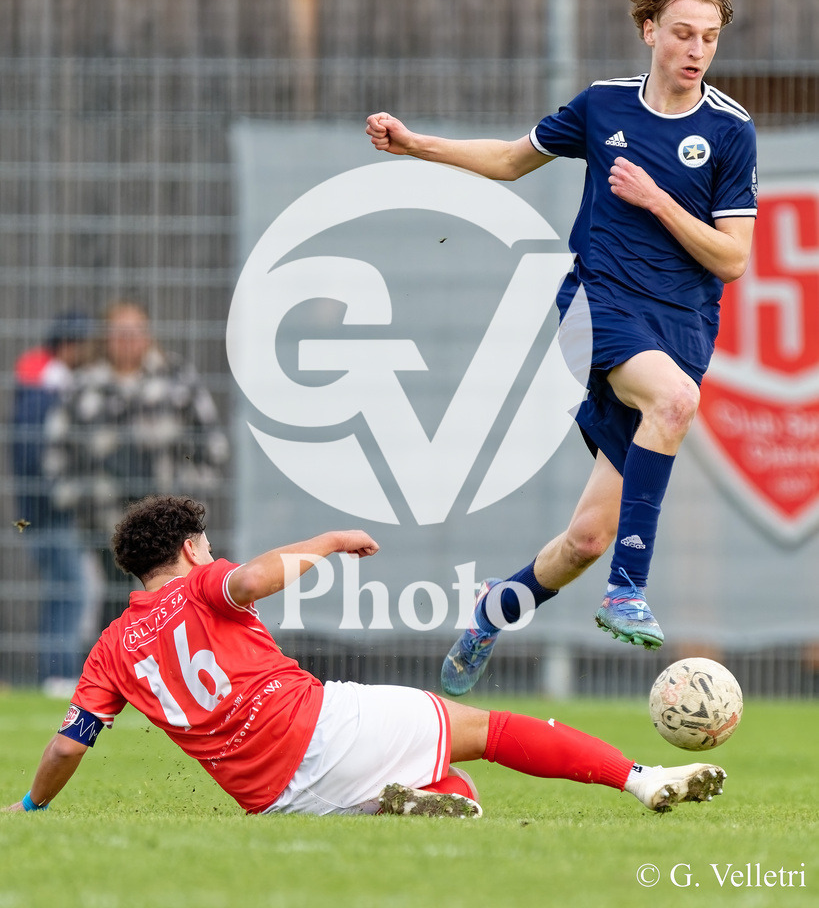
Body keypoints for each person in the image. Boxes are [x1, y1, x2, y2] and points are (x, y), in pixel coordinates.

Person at [365, 0, 758, 695]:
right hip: (596, 306)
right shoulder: (602, 106)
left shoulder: (727, 131)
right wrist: (417, 146)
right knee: (674, 403)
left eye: (708, 37)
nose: (695, 50)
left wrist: (656, 200)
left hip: (680, 329)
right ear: (648, 29)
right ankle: (628, 590)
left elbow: (732, 259)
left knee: (583, 537)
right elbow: (512, 160)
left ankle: (490, 613)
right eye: (681, 33)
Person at [4, 495, 727, 818]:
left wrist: (33, 803)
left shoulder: (109, 650)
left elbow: (69, 747)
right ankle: (641, 778)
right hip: (318, 729)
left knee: (457, 794)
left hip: (273, 801)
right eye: (208, 545)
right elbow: (251, 580)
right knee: (486, 730)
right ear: (190, 550)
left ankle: (418, 805)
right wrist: (326, 542)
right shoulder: (202, 582)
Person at [44, 301, 230, 631]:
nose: (127, 340)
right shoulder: (85, 385)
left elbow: (212, 443)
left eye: (134, 332)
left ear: (147, 336)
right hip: (105, 524)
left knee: (175, 605)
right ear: (107, 338)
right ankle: (116, 677)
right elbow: (57, 451)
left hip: (168, 523)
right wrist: (76, 498)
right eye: (119, 333)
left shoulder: (176, 378)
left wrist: (191, 498)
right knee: (117, 609)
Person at [11, 312, 95, 692]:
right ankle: (59, 674)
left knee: (62, 589)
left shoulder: (36, 378)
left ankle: (55, 673)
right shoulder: (50, 383)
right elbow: (36, 452)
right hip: (48, 509)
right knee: (70, 589)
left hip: (35, 509)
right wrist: (54, 495)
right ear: (70, 345)